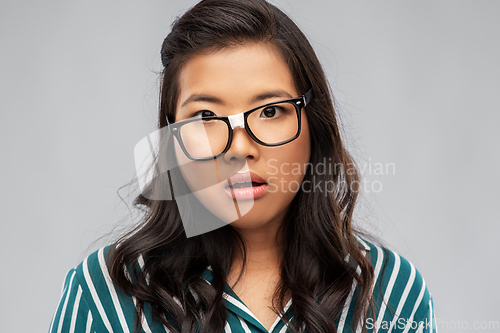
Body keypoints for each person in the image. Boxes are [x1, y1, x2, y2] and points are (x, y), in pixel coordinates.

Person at [49, 0, 436, 332]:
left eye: (270, 111)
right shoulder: (105, 290)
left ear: (313, 122)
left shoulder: (388, 291)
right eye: (205, 116)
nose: (240, 149)